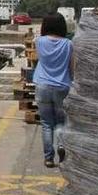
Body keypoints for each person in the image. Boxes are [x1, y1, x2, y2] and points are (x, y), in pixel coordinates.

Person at [33, 13, 73, 168]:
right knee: (62, 122)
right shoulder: (68, 44)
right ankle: (61, 147)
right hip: (62, 86)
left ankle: (48, 158)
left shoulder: (39, 41)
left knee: (46, 123)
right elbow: (72, 68)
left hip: (42, 85)